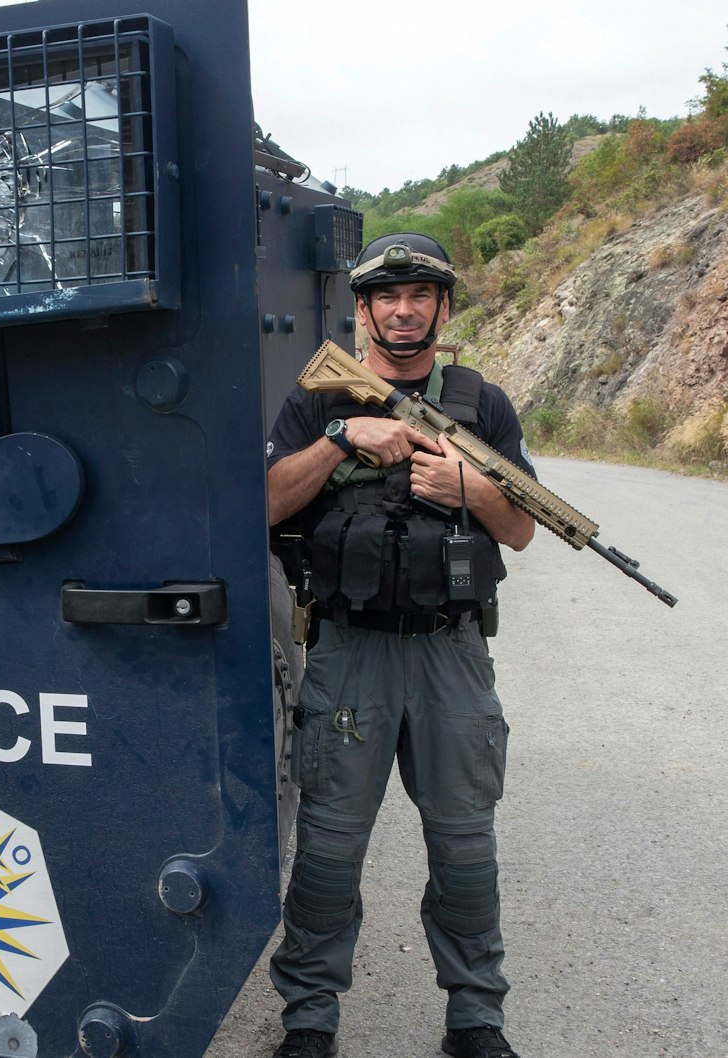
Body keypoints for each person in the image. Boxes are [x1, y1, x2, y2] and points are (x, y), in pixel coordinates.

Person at [263, 232, 536, 1058]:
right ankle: (309, 1018)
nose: (405, 309)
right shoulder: (318, 399)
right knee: (330, 849)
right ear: (364, 309)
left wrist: (471, 486)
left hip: (451, 653)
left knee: (465, 848)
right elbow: (266, 504)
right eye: (388, 296)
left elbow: (523, 529)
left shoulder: (482, 403)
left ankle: (476, 1017)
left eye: (422, 295)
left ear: (443, 308)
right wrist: (345, 439)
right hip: (349, 650)